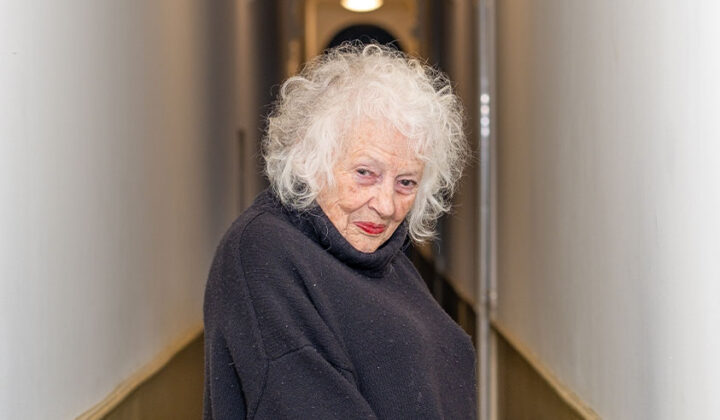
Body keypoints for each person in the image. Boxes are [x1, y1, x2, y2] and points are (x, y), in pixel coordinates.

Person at [203, 43, 476, 419]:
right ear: (308, 158)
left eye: (406, 182)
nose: (386, 205)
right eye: (365, 173)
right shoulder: (263, 252)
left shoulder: (382, 256)